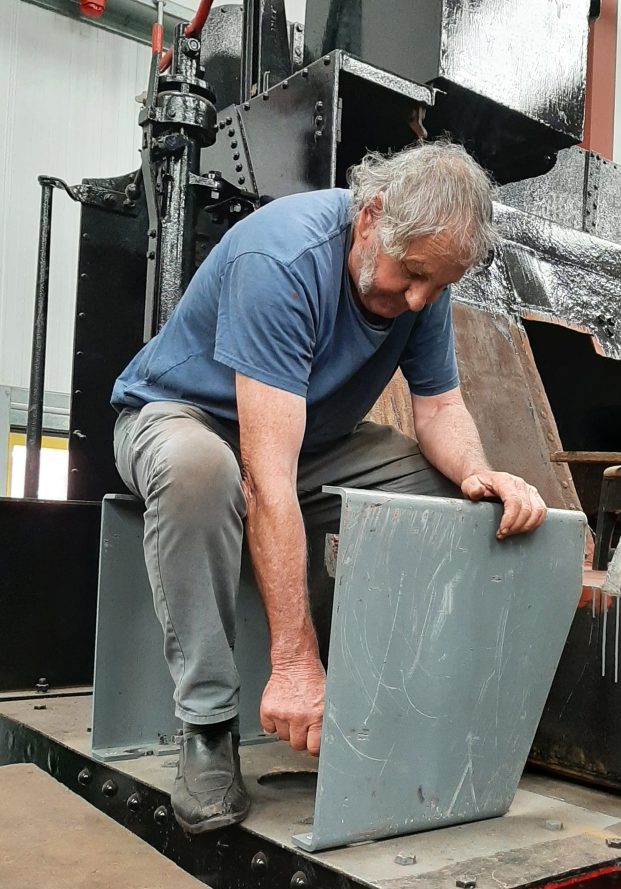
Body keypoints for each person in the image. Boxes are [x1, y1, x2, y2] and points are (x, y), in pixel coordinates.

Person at [111, 140, 547, 834]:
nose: (418, 299)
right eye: (412, 277)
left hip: (309, 438)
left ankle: (391, 705)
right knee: (205, 473)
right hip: (184, 419)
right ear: (371, 216)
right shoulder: (281, 260)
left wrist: (476, 472)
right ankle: (207, 726)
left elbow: (438, 408)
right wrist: (293, 662)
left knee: (444, 497)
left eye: (435, 285)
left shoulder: (423, 277)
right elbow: (266, 481)